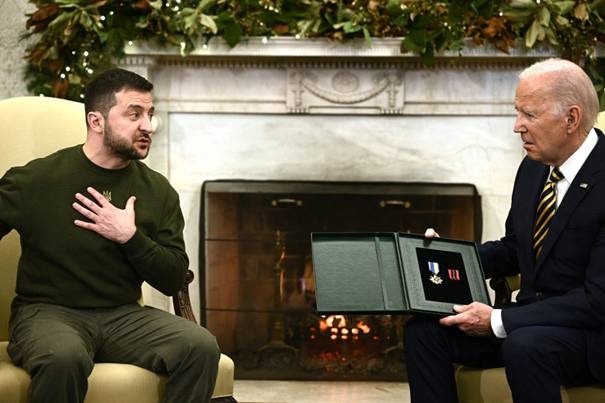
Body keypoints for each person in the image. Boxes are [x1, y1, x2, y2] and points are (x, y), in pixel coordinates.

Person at [0, 68, 220, 403]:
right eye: (134, 114)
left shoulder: (158, 191)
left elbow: (173, 277)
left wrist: (130, 236)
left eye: (150, 114)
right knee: (63, 358)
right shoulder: (36, 180)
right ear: (97, 121)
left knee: (200, 346)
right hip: (48, 313)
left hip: (123, 316)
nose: (148, 126)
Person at [404, 58, 605, 403]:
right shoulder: (534, 168)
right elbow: (515, 248)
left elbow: (597, 300)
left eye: (530, 115)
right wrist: (448, 255)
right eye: (517, 112)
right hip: (528, 324)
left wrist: (498, 320)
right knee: (424, 330)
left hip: (590, 334)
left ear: (571, 119)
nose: (517, 126)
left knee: (524, 345)